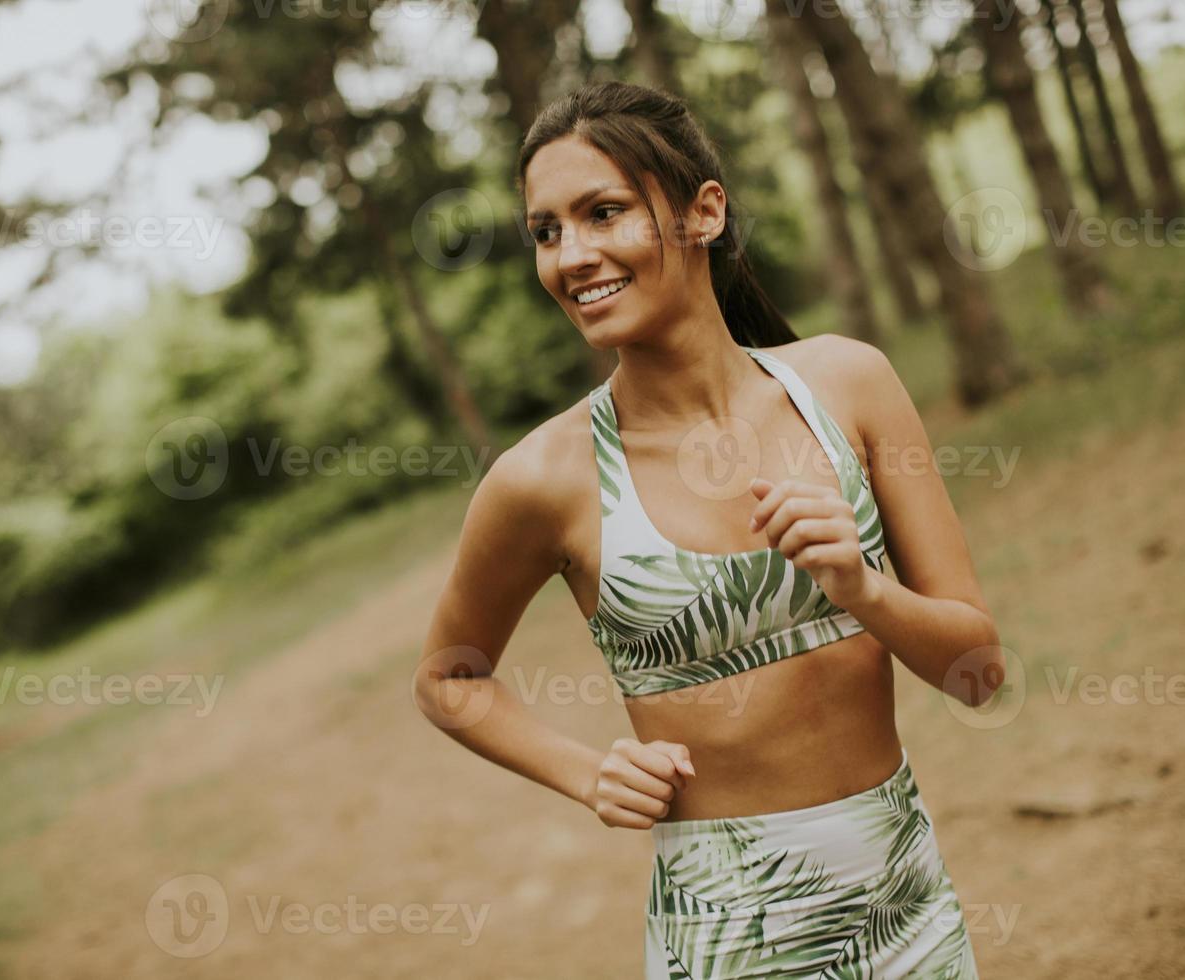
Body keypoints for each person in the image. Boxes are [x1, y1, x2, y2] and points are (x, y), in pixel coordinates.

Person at [413, 80, 1001, 978]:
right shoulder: (542, 479)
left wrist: (864, 589)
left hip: (911, 905)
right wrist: (584, 772)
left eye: (603, 212)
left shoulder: (848, 385)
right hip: (729, 934)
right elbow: (448, 677)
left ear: (704, 213)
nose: (572, 255)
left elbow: (980, 674)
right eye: (546, 230)